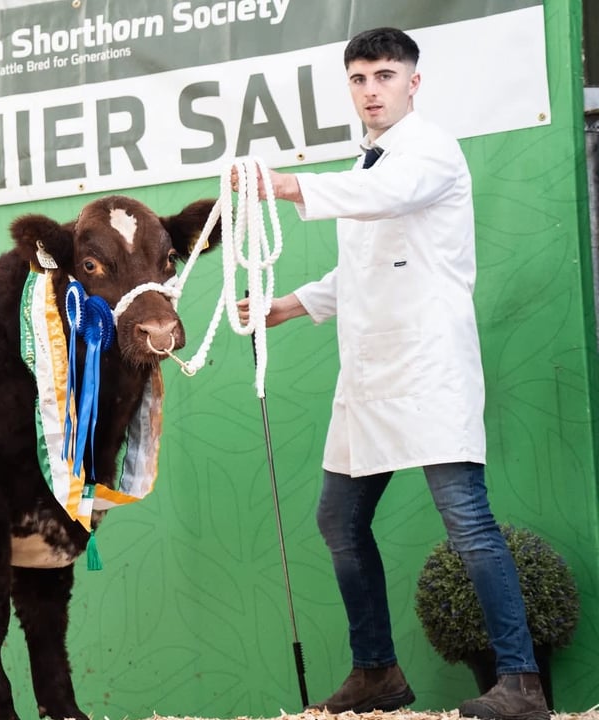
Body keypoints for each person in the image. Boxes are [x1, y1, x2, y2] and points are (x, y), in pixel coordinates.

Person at [234, 27, 548, 720]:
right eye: (358, 78)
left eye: (383, 75)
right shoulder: (367, 165)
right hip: (370, 376)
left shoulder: (428, 152)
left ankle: (522, 684)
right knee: (339, 519)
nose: (371, 90)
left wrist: (284, 186)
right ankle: (377, 671)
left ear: (413, 81)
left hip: (430, 366)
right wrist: (286, 307)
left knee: (467, 520)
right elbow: (366, 269)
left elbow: (383, 198)